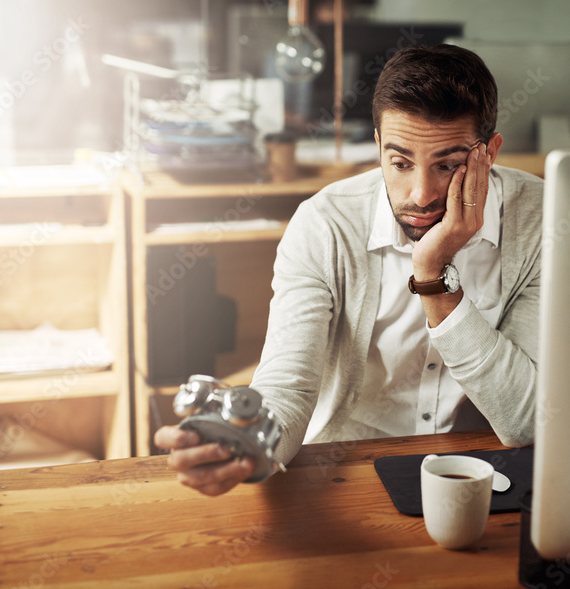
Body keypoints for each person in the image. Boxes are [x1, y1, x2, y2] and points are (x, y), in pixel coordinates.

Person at [155, 44, 542, 496]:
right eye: (399, 163)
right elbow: (289, 388)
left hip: (488, 477)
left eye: (448, 166)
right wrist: (248, 446)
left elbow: (529, 421)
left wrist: (434, 277)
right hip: (347, 474)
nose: (420, 193)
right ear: (377, 145)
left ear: (489, 153)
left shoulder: (542, 220)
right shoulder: (324, 225)